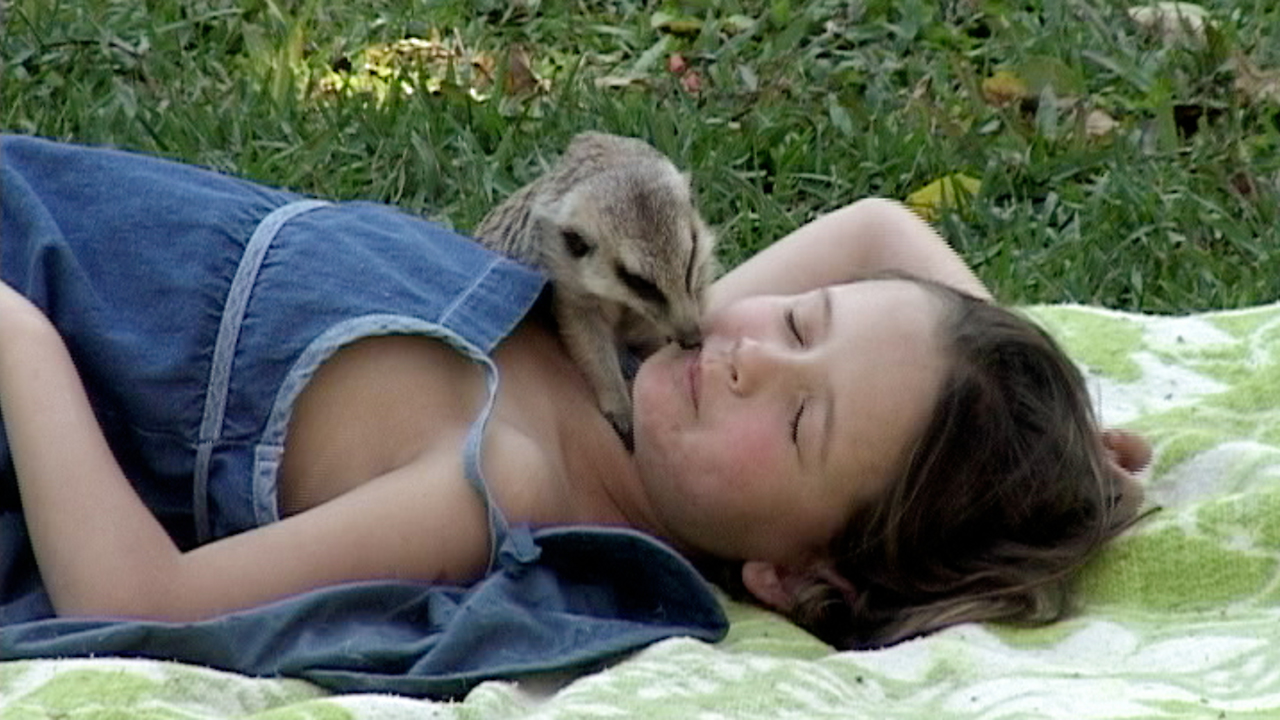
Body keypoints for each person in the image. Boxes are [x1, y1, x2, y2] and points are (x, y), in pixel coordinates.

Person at [0, 134, 1149, 654]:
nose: (746, 352)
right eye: (799, 323)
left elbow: (130, 597)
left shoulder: (486, 484)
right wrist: (1059, 431)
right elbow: (877, 229)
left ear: (793, 579)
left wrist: (18, 333)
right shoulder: (633, 352)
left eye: (799, 419)